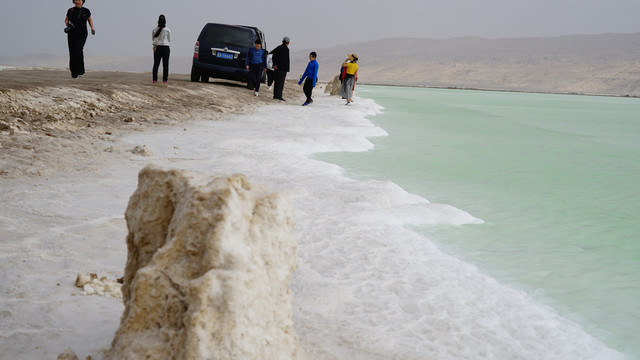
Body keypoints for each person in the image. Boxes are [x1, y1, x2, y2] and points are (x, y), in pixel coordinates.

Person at [64, 0, 95, 79]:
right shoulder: (70, 10)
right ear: (74, 1)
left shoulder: (86, 11)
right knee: (72, 52)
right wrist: (68, 25)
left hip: (82, 34)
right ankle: (74, 73)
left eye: (79, 0)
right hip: (72, 34)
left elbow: (89, 19)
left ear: (82, 1)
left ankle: (81, 71)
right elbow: (66, 19)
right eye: (76, 0)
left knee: (78, 50)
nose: (77, 1)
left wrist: (92, 28)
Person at [152, 15, 171, 84]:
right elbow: (169, 39)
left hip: (157, 48)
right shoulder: (168, 30)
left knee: (156, 64)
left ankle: (154, 80)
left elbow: (153, 39)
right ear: (165, 21)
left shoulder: (154, 29)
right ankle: (165, 80)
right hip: (166, 47)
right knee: (165, 65)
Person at [270, 37, 290, 101]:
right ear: (288, 42)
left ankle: (275, 95)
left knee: (276, 82)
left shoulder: (278, 48)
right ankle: (278, 96)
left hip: (276, 68)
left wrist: (275, 65)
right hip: (282, 69)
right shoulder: (286, 49)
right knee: (280, 83)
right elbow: (284, 60)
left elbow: (273, 56)